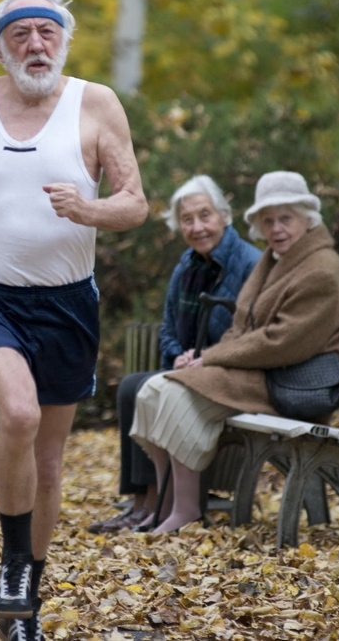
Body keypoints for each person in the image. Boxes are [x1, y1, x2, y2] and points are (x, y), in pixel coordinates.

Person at [0, 0, 147, 641]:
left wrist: (89, 209)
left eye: (47, 32)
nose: (35, 44)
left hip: (66, 302)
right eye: (20, 34)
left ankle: (25, 608)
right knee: (19, 414)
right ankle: (13, 563)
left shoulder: (96, 103)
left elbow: (135, 202)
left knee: (49, 464)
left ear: (64, 42)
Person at [129, 171, 339, 534]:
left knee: (172, 393)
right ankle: (168, 506)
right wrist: (201, 357)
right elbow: (241, 325)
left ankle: (186, 511)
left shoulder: (321, 270)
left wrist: (211, 358)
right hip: (263, 373)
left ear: (307, 218)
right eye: (268, 220)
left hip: (293, 383)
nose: (276, 228)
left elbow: (282, 342)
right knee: (152, 391)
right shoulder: (275, 259)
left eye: (285, 218)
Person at [86, 175, 260, 534]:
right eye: (187, 219)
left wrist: (208, 355)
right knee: (131, 386)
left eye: (205, 215)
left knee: (143, 387)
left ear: (224, 216)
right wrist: (178, 354)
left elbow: (251, 333)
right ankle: (141, 502)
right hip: (190, 368)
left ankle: (157, 503)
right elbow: (167, 329)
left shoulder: (249, 264)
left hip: (228, 372)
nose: (197, 227)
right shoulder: (186, 268)